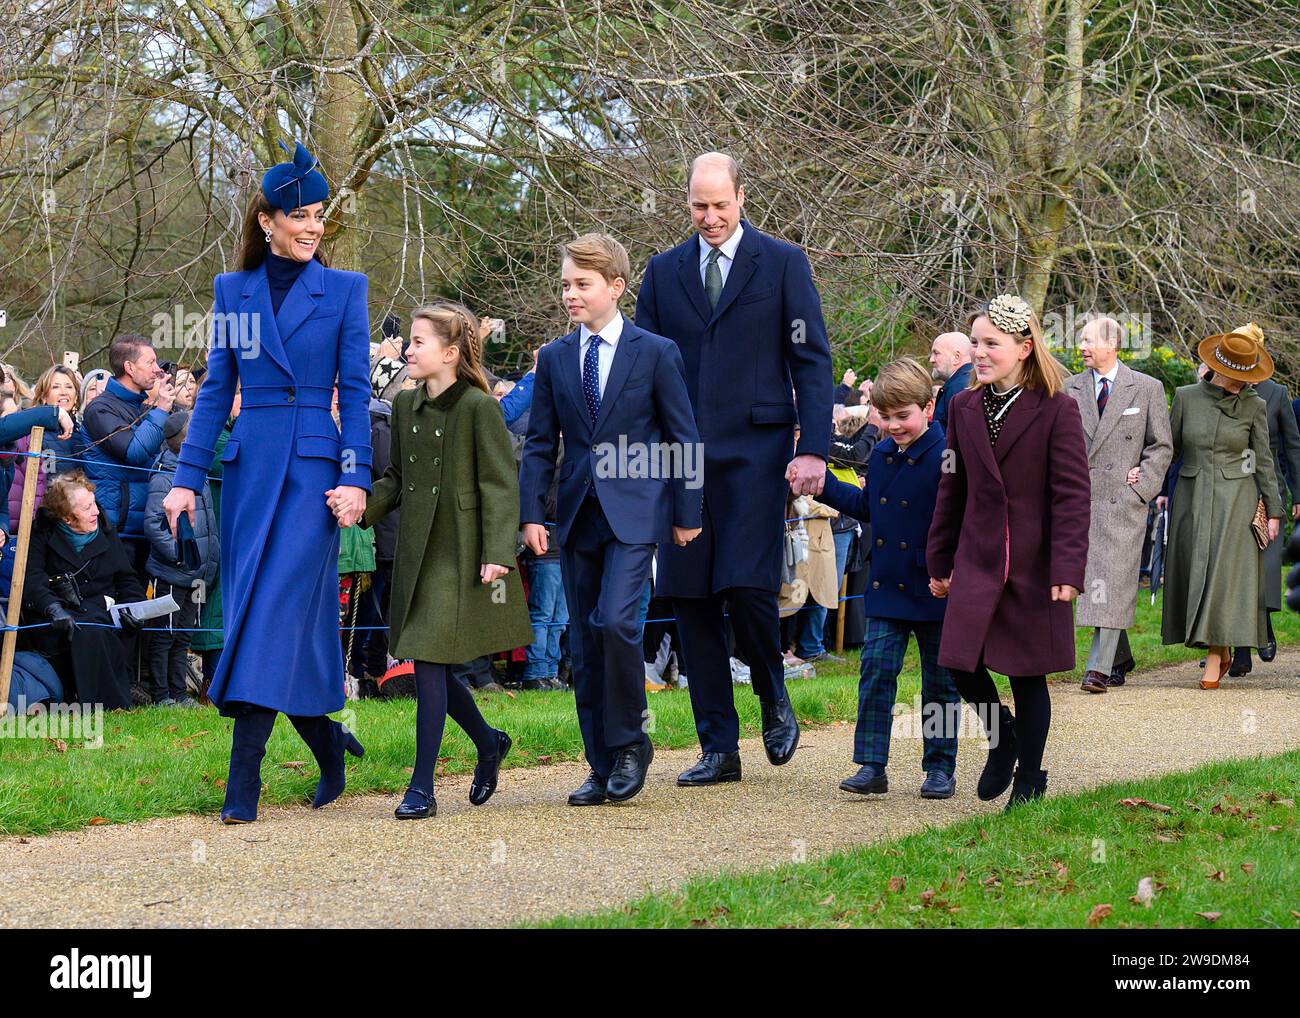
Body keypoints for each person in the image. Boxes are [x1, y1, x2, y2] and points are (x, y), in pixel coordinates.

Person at [162, 141, 372, 824]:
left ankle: (242, 782)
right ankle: (328, 742)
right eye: (301, 216)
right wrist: (186, 480)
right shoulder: (234, 292)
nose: (313, 226)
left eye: (319, 216)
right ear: (267, 221)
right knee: (268, 617)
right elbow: (218, 389)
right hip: (251, 474)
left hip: (314, 477)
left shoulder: (343, 291)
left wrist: (356, 479)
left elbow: (358, 390)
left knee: (267, 614)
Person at [635, 151, 832, 785]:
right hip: (680, 457)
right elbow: (642, 371)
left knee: (747, 588)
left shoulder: (781, 263)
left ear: (742, 198)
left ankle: (773, 691)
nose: (711, 217)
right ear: (686, 201)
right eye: (699, 205)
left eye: (721, 204)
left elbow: (811, 361)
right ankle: (718, 747)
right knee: (691, 598)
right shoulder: (663, 274)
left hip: (757, 453)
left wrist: (814, 448)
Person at [522, 233, 702, 805]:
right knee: (584, 636)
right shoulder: (554, 358)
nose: (571, 295)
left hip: (637, 513)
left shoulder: (655, 352)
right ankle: (599, 762)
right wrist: (531, 515)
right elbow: (539, 445)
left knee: (617, 624)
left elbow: (683, 436)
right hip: (576, 516)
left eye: (583, 285)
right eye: (567, 285)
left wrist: (687, 510)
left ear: (616, 287)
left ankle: (630, 744)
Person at [363, 300, 533, 819]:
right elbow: (395, 478)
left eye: (418, 342)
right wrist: (359, 506)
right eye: (409, 341)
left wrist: (499, 552)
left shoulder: (479, 408)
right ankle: (488, 741)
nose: (407, 350)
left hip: (461, 550)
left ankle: (421, 786)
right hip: (417, 546)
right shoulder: (406, 406)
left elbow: (500, 484)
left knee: (431, 660)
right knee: (429, 659)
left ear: (451, 353)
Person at [927, 294, 1091, 809]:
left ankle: (1030, 778)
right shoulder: (962, 406)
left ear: (1023, 348)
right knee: (958, 660)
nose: (979, 352)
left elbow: (1071, 494)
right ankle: (1003, 738)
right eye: (974, 343)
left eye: (990, 344)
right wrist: (939, 558)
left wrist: (1067, 568)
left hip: (1034, 563)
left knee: (1026, 673)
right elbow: (951, 485)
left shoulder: (1057, 408)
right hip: (976, 557)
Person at [813, 357, 961, 798]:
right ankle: (871, 763)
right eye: (887, 416)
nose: (895, 425)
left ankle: (939, 768)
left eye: (904, 416)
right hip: (888, 585)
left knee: (940, 682)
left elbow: (962, 518)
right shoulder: (879, 453)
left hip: (936, 585)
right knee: (876, 671)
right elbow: (869, 509)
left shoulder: (949, 455)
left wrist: (950, 568)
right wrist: (823, 484)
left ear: (929, 408)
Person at [1161, 326, 1283, 689]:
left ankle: (1215, 656)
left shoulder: (1255, 406)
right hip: (1192, 498)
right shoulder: (1185, 397)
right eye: (1235, 376)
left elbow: (1263, 461)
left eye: (1247, 377)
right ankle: (1220, 647)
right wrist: (1145, 483)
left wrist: (1274, 510)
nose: (1241, 383)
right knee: (1198, 572)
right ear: (1217, 366)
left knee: (1223, 576)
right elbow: (1168, 451)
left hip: (1237, 501)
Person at [1065, 318, 1173, 694]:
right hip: (1078, 502)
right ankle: (1120, 656)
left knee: (1110, 579)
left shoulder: (1146, 388)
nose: (1081, 346)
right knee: (1093, 582)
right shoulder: (1069, 389)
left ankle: (1097, 667)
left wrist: (1141, 485)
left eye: (1088, 340)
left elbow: (1161, 445)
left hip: (1122, 504)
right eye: (1080, 339)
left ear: (1112, 344)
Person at [23, 471, 147, 711]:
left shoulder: (105, 531)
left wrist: (135, 608)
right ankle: (106, 704)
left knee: (103, 626)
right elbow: (33, 580)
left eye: (94, 504)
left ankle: (119, 695)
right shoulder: (43, 534)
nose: (97, 512)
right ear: (67, 518)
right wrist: (53, 608)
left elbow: (127, 579)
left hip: (102, 608)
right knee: (88, 629)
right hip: (59, 613)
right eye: (88, 508)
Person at [1232, 325, 1300, 675]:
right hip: (1231, 487)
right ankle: (1240, 649)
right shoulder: (1223, 386)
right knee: (1236, 567)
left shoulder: (1277, 393)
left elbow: (1292, 445)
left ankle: (1265, 624)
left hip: (1267, 487)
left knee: (1265, 567)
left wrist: (1298, 493)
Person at [143, 411, 218, 707]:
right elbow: (152, 524)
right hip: (172, 574)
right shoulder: (164, 478)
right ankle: (161, 694)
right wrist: (180, 556)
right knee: (165, 635)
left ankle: (178, 692)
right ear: (186, 442)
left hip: (196, 574)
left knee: (183, 636)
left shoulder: (199, 477)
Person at [81, 335, 175, 546]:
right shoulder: (100, 409)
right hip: (115, 530)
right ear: (130, 368)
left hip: (145, 526)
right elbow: (134, 452)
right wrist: (160, 411)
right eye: (150, 362)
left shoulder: (141, 409)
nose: (157, 369)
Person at [7, 365, 91, 527]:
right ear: (44, 396)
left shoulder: (83, 435)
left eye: (69, 386)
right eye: (55, 387)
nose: (64, 392)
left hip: (79, 519)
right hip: (46, 520)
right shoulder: (31, 434)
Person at [928, 331, 973, 431]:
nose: (931, 359)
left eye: (936, 353)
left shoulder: (959, 388)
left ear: (956, 357)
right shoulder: (967, 382)